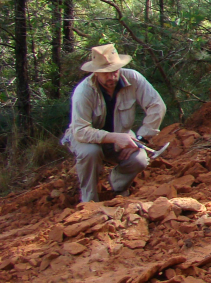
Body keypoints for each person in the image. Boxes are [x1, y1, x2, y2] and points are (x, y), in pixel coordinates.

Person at [61, 44, 166, 203]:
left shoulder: (133, 78)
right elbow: (80, 131)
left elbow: (157, 106)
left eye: (114, 71)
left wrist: (142, 138)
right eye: (105, 73)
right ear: (95, 72)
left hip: (121, 133)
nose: (111, 77)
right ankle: (89, 202)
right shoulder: (83, 92)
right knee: (90, 152)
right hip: (85, 138)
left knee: (139, 159)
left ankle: (118, 188)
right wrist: (115, 138)